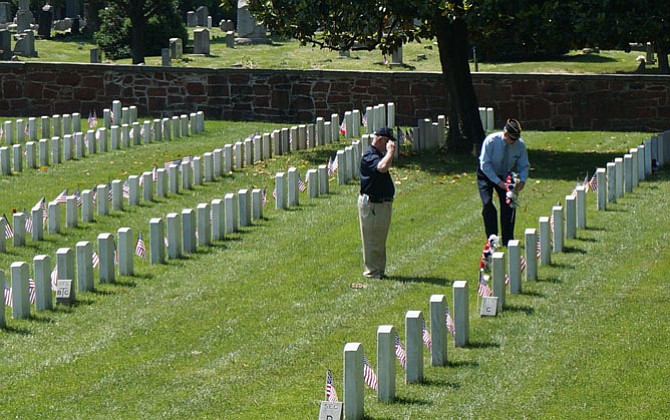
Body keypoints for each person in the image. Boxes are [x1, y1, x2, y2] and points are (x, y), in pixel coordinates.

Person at [477, 118, 530, 246]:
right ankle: (492, 239)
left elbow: (524, 165)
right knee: (487, 203)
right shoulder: (491, 141)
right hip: (487, 174)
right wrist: (498, 182)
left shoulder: (520, 145)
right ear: (505, 134)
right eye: (512, 139)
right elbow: (485, 164)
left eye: (516, 139)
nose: (514, 142)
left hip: (505, 175)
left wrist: (522, 180)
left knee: (509, 204)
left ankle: (508, 239)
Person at [358, 126, 396, 279]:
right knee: (372, 240)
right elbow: (382, 167)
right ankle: (372, 273)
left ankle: (379, 271)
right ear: (381, 140)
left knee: (379, 240)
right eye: (388, 142)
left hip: (381, 204)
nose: (390, 146)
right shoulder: (370, 155)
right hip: (373, 205)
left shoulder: (377, 154)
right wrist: (390, 152)